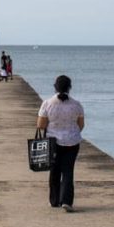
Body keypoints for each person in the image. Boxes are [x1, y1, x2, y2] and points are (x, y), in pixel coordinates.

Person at [36, 75, 84, 212]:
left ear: (55, 87)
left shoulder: (47, 103)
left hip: (53, 142)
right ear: (69, 88)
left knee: (54, 170)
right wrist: (70, 132)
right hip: (72, 142)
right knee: (68, 171)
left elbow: (41, 124)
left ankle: (54, 200)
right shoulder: (77, 104)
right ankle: (67, 201)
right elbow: (81, 125)